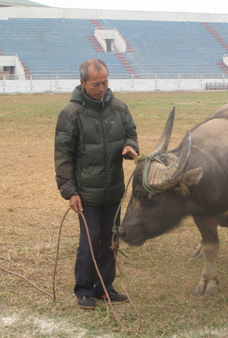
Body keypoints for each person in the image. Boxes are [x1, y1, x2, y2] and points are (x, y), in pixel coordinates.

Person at [54, 59, 139, 310]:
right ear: (82, 82)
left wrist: (130, 147)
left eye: (105, 82)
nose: (101, 88)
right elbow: (62, 156)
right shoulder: (70, 113)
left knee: (110, 239)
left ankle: (105, 288)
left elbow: (130, 133)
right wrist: (70, 191)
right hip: (86, 193)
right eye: (95, 84)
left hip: (113, 190)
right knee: (89, 241)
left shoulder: (120, 108)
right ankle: (84, 289)